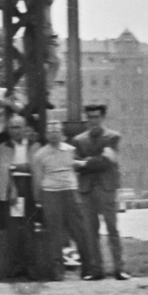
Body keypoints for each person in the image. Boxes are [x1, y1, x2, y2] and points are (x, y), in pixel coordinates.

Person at [73, 104, 126, 280]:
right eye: (90, 117)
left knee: (112, 229)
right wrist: (90, 163)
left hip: (106, 188)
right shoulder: (78, 140)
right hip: (86, 189)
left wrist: (85, 163)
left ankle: (119, 269)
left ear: (103, 117)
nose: (93, 121)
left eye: (96, 117)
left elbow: (107, 161)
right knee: (90, 231)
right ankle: (96, 270)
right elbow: (74, 164)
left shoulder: (113, 137)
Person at [33, 119, 90, 280]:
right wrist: (39, 199)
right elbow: (38, 179)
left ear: (62, 134)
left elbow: (79, 166)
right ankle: (57, 271)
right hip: (50, 192)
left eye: (57, 131)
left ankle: (88, 268)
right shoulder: (40, 154)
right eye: (50, 131)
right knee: (54, 233)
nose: (54, 134)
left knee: (79, 230)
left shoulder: (71, 150)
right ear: (46, 135)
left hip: (70, 192)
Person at [0, 115, 40, 281]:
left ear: (25, 128)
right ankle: (15, 266)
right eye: (12, 127)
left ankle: (31, 267)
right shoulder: (4, 147)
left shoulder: (34, 146)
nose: (15, 130)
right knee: (14, 229)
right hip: (14, 188)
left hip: (31, 188)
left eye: (19, 127)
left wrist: (19, 167)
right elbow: (2, 170)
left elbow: (36, 168)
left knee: (29, 229)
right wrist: (10, 189)